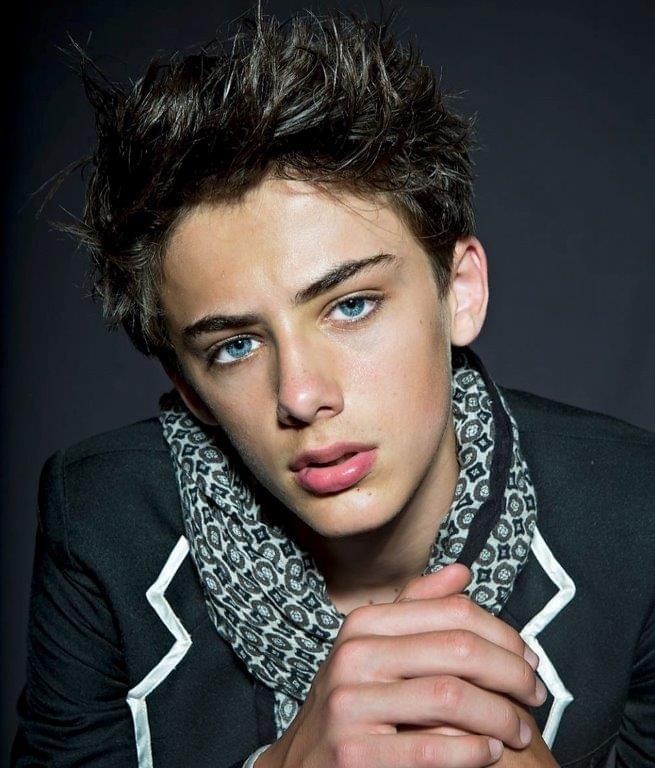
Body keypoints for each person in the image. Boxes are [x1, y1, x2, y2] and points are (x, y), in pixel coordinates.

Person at [11, 4, 655, 767]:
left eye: (350, 306)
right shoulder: (103, 522)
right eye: (235, 346)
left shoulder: (634, 512)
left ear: (459, 292)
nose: (303, 395)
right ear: (186, 389)